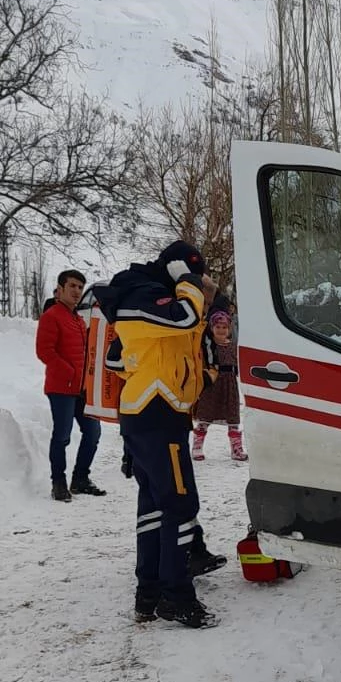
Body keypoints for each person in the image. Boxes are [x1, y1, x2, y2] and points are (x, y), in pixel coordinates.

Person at [96, 241, 217, 628]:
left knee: (154, 507)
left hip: (153, 415)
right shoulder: (141, 295)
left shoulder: (141, 300)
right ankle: (176, 597)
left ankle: (148, 593)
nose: (194, 281)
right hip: (157, 415)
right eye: (190, 273)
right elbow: (182, 317)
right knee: (181, 507)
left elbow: (117, 358)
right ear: (177, 269)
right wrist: (188, 283)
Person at [35, 268, 105, 502]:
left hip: (81, 388)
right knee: (62, 436)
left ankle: (80, 478)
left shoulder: (76, 318)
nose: (77, 291)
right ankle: (58, 482)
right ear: (61, 288)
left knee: (93, 432)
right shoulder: (52, 315)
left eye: (80, 287)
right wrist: (70, 371)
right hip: (61, 388)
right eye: (73, 286)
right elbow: (45, 351)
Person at [191, 299, 246, 462]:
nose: (221, 330)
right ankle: (197, 447)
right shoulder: (208, 346)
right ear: (212, 328)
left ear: (229, 329)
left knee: (233, 418)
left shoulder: (233, 346)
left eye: (224, 327)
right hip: (212, 384)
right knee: (205, 417)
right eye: (218, 327)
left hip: (229, 385)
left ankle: (236, 448)